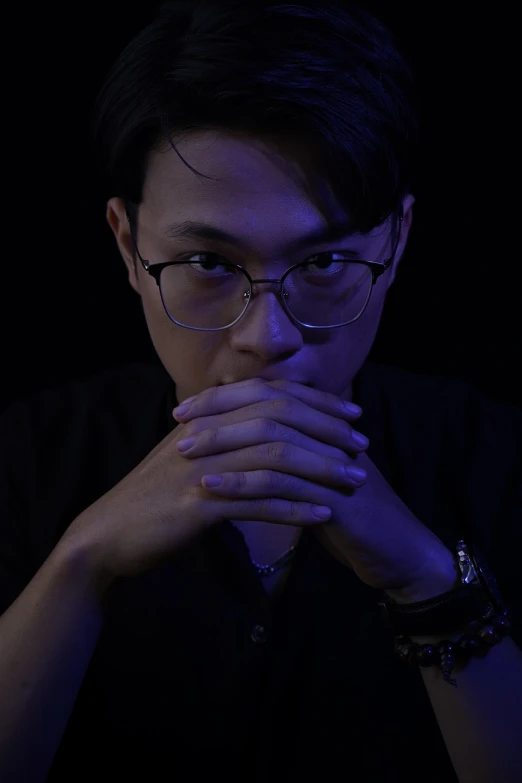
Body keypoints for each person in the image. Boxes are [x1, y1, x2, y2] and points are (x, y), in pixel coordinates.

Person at [1, 1, 521, 781]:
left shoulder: (497, 459)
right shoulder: (24, 457)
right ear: (128, 245)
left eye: (324, 265)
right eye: (209, 264)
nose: (268, 336)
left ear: (397, 240)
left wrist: (428, 580)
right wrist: (81, 561)